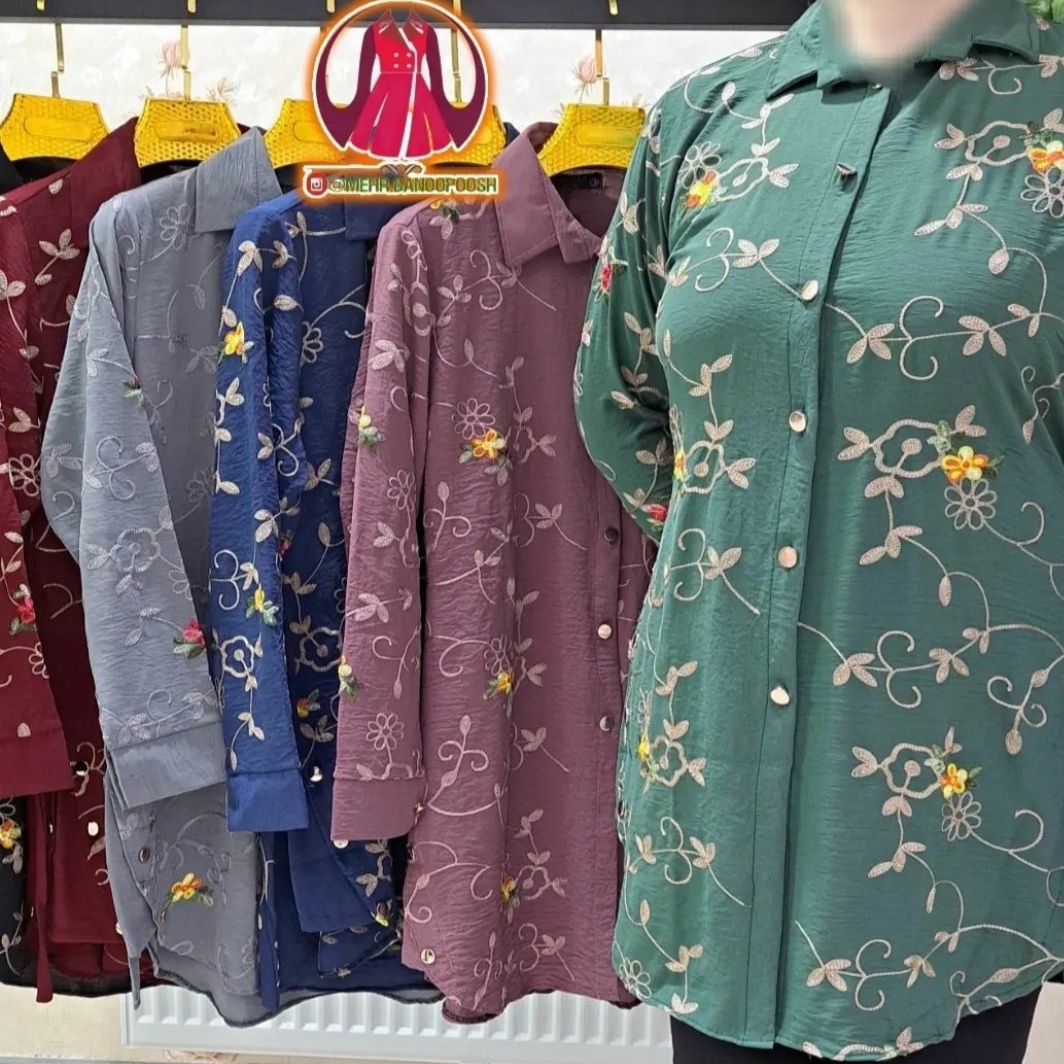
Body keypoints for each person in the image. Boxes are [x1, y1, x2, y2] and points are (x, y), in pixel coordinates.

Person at [575, 0, 1063, 1060]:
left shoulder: (1049, 115)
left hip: (951, 788)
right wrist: (740, 541)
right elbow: (619, 398)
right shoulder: (701, 118)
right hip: (711, 781)